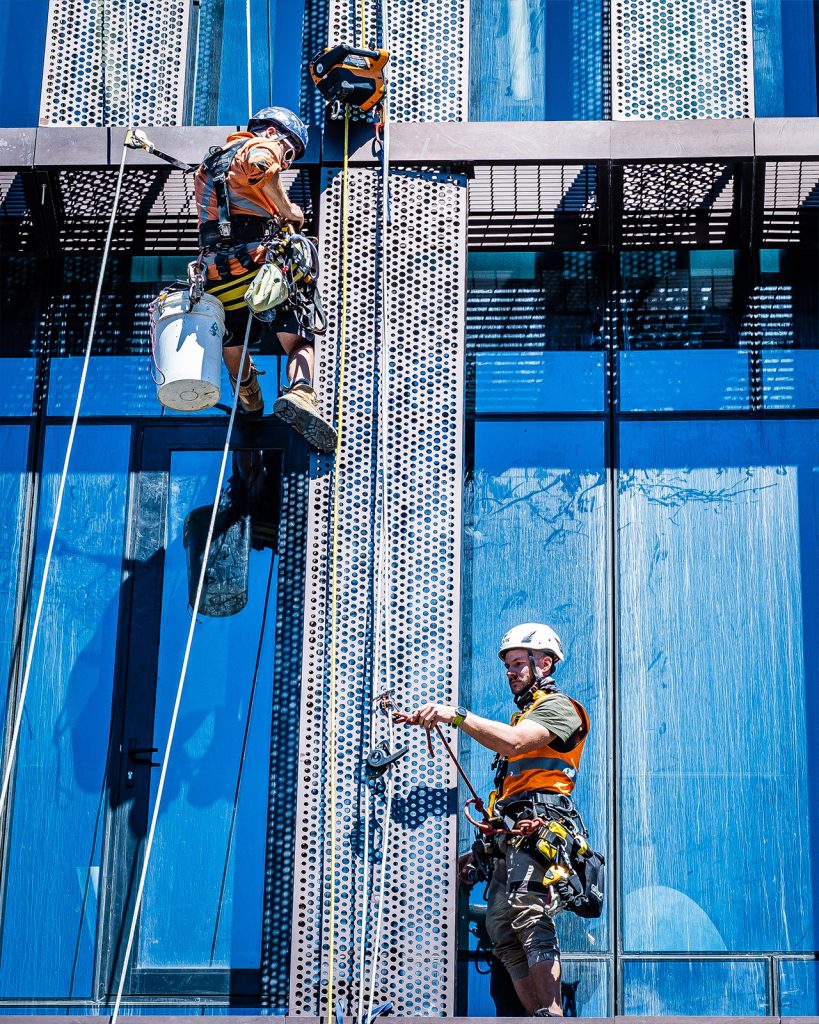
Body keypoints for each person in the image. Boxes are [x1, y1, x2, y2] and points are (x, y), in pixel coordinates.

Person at [394, 622, 590, 1018]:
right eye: (509, 665)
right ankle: (537, 1012)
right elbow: (507, 796)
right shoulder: (521, 719)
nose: (511, 672)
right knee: (502, 929)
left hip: (539, 826)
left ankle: (550, 1013)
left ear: (545, 664)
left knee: (528, 913)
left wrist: (456, 715)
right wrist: (479, 850)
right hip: (512, 836)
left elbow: (513, 743)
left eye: (519, 663)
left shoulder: (559, 709)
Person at [194, 106, 337, 452]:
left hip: (217, 273)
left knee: (233, 339)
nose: (286, 164)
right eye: (288, 153)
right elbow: (262, 165)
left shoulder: (206, 169)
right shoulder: (259, 146)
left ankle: (248, 393)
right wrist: (289, 212)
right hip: (262, 267)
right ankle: (302, 392)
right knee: (300, 340)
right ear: (272, 133)